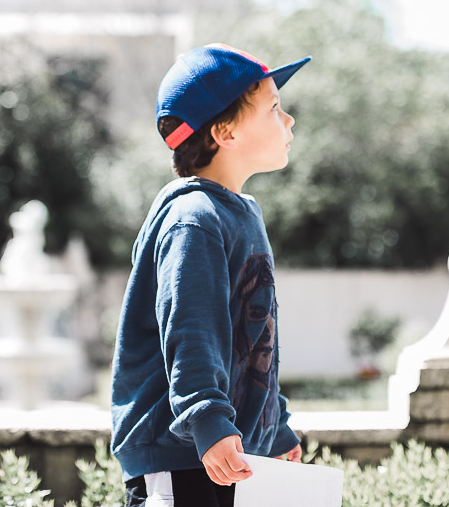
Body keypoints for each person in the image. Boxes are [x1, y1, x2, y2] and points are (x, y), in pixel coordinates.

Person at [110, 43, 311, 507]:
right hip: (185, 453)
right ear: (224, 132)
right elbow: (191, 331)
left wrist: (273, 426)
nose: (289, 120)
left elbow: (253, 339)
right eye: (274, 108)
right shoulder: (194, 218)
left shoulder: (242, 213)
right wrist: (206, 420)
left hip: (227, 449)